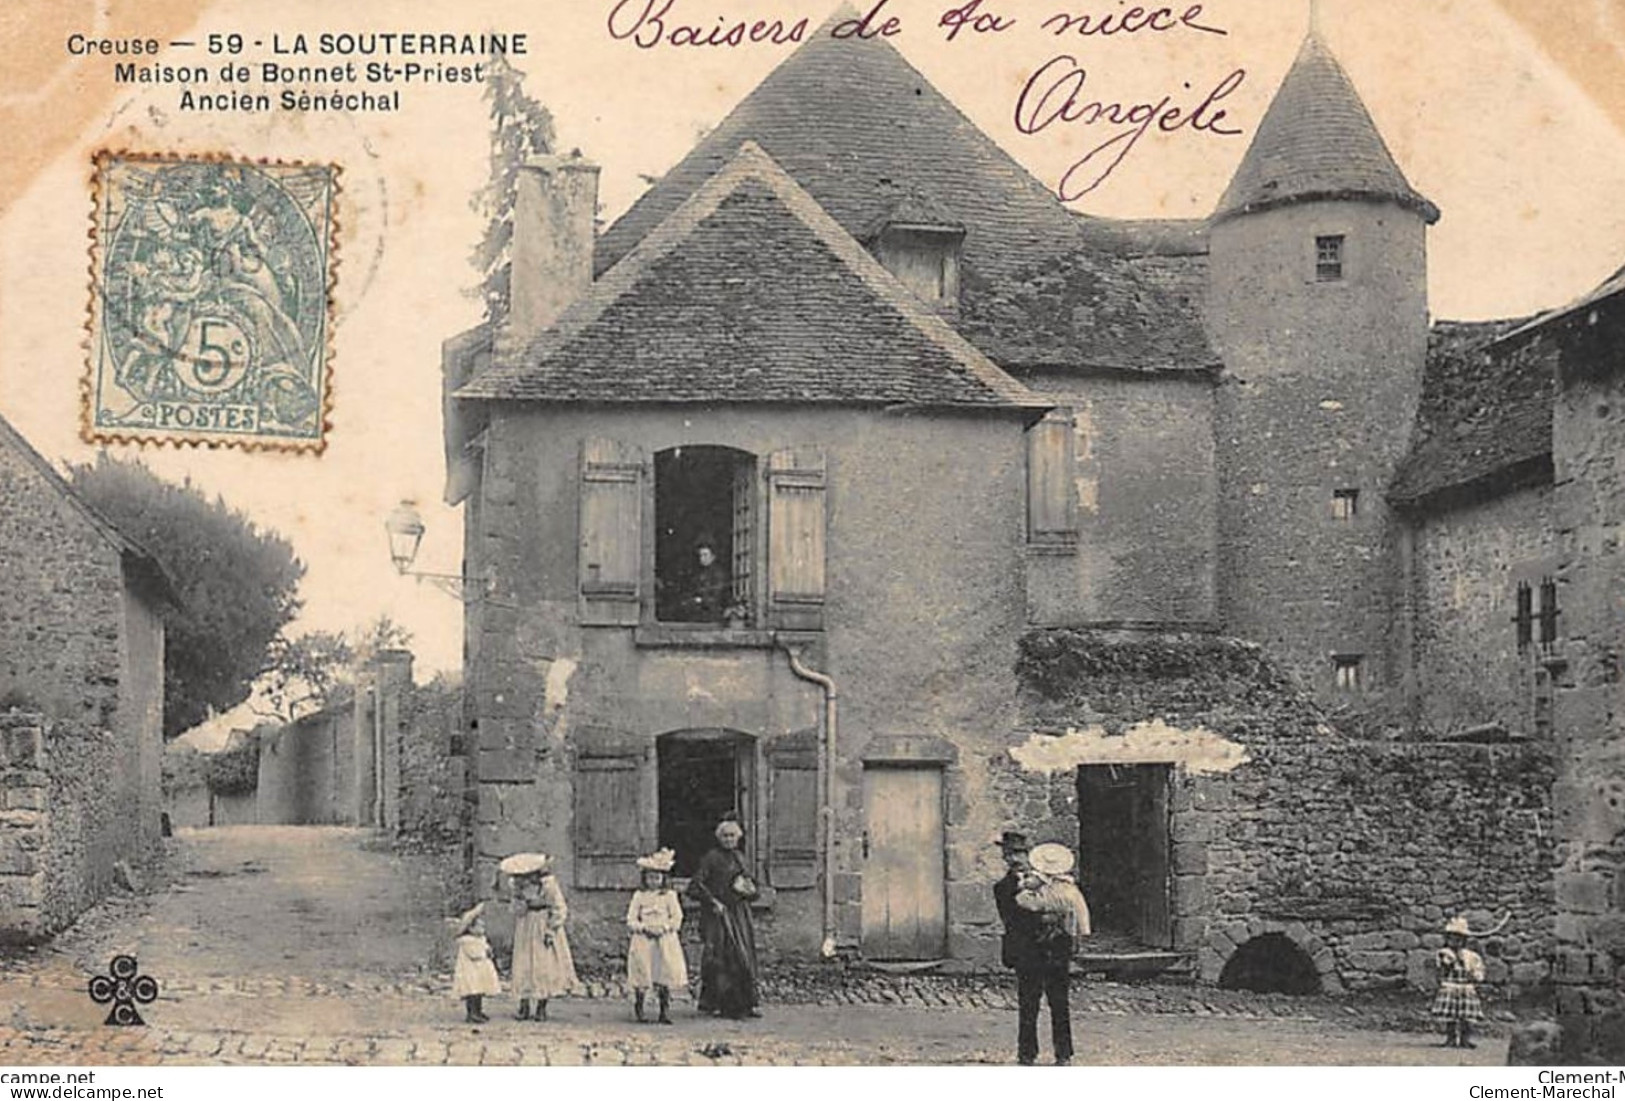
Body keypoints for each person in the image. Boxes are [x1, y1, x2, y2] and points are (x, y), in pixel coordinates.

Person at [994, 832, 1078, 1066]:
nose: (1015, 859)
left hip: (1054, 949)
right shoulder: (1003, 887)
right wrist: (1044, 916)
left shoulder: (1050, 880)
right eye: (1010, 854)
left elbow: (1068, 904)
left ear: (1028, 855)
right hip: (1027, 950)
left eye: (1019, 853)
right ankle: (1027, 1054)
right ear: (1004, 857)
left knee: (1059, 1002)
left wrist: (1056, 912)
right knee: (1028, 1004)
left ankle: (1064, 1054)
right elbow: (1013, 919)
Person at [687, 812, 761, 1019]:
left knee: (743, 956)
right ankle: (719, 1004)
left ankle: (745, 1004)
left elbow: (754, 888)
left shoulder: (741, 858)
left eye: (732, 836)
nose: (729, 840)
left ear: (738, 837)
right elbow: (695, 886)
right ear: (719, 838)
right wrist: (713, 902)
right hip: (718, 915)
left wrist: (750, 890)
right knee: (720, 957)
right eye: (725, 836)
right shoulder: (711, 858)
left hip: (740, 915)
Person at [509, 854, 578, 1021]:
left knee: (543, 966)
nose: (527, 879)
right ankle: (523, 1005)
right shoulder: (518, 888)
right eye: (523, 876)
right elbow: (516, 910)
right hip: (526, 927)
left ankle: (541, 1006)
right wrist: (521, 901)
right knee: (523, 964)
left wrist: (551, 930)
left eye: (530, 875)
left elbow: (559, 908)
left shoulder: (548, 887)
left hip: (543, 924)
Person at [626, 847, 687, 1024]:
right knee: (642, 973)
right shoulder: (639, 896)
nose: (654, 881)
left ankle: (664, 1011)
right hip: (644, 939)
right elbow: (631, 918)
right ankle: (640, 1008)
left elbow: (677, 917)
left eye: (657, 878)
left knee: (664, 974)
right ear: (644, 879)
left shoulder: (669, 896)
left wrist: (664, 927)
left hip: (664, 940)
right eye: (650, 878)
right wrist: (643, 927)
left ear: (663, 879)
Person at [1434, 915, 1487, 1048]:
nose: (1455, 941)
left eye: (1459, 938)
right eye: (1452, 938)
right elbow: (1442, 969)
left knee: (1466, 1016)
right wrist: (1448, 962)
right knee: (1450, 1016)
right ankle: (1450, 1038)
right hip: (1451, 986)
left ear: (1464, 940)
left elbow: (1477, 972)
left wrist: (1475, 976)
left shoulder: (1471, 956)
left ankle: (1465, 1039)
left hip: (1465, 987)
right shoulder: (1444, 954)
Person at [451, 903, 500, 1024]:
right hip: (471, 972)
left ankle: (478, 1011)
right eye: (479, 926)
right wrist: (485, 953)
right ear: (471, 929)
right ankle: (471, 1013)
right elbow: (474, 954)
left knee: (479, 993)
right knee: (472, 992)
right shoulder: (467, 941)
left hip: (480, 972)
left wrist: (489, 951)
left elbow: (486, 948)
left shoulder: (481, 939)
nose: (483, 929)